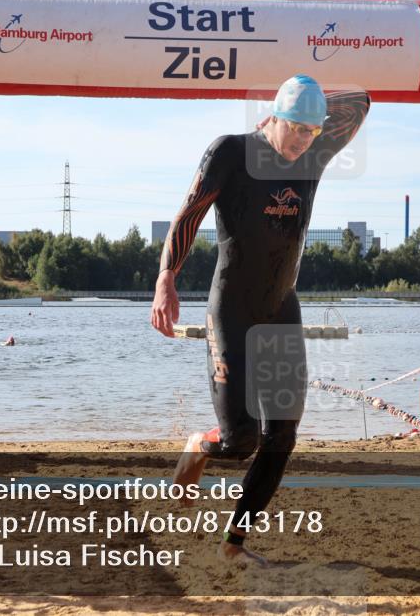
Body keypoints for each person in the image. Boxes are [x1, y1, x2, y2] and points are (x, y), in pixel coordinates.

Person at [151, 75, 370, 567]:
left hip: (280, 308)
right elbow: (187, 216)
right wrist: (167, 277)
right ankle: (201, 444)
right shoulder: (231, 151)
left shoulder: (314, 151)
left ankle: (233, 544)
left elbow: (361, 100)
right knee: (239, 440)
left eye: (310, 132)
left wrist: (311, 97)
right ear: (270, 118)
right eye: (293, 128)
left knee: (283, 435)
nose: (300, 141)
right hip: (231, 307)